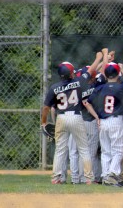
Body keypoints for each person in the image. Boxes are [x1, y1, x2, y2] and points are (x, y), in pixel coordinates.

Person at [41, 51, 102, 184]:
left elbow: (46, 107)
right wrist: (98, 58)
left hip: (61, 118)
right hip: (76, 116)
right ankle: (88, 178)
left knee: (60, 150)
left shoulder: (54, 88)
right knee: (84, 149)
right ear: (71, 73)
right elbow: (91, 70)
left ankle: (56, 178)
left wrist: (44, 122)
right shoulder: (79, 81)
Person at [85, 62, 123, 187]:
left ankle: (105, 176)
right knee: (118, 150)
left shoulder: (99, 88)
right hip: (116, 121)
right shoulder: (121, 87)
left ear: (105, 74)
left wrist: (96, 117)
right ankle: (112, 174)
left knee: (106, 151)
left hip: (103, 121)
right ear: (117, 74)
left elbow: (88, 103)